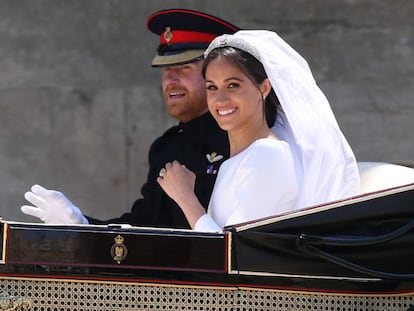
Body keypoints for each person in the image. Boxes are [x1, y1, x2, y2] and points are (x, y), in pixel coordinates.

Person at [20, 9, 239, 229]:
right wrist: (83, 226)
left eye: (184, 67)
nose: (171, 79)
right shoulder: (168, 148)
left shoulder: (240, 137)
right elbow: (145, 225)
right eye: (166, 69)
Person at [157, 30, 361, 232]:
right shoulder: (240, 159)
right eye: (212, 87)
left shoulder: (267, 154)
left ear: (264, 88)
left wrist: (185, 198)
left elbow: (233, 253)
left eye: (233, 85)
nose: (220, 99)